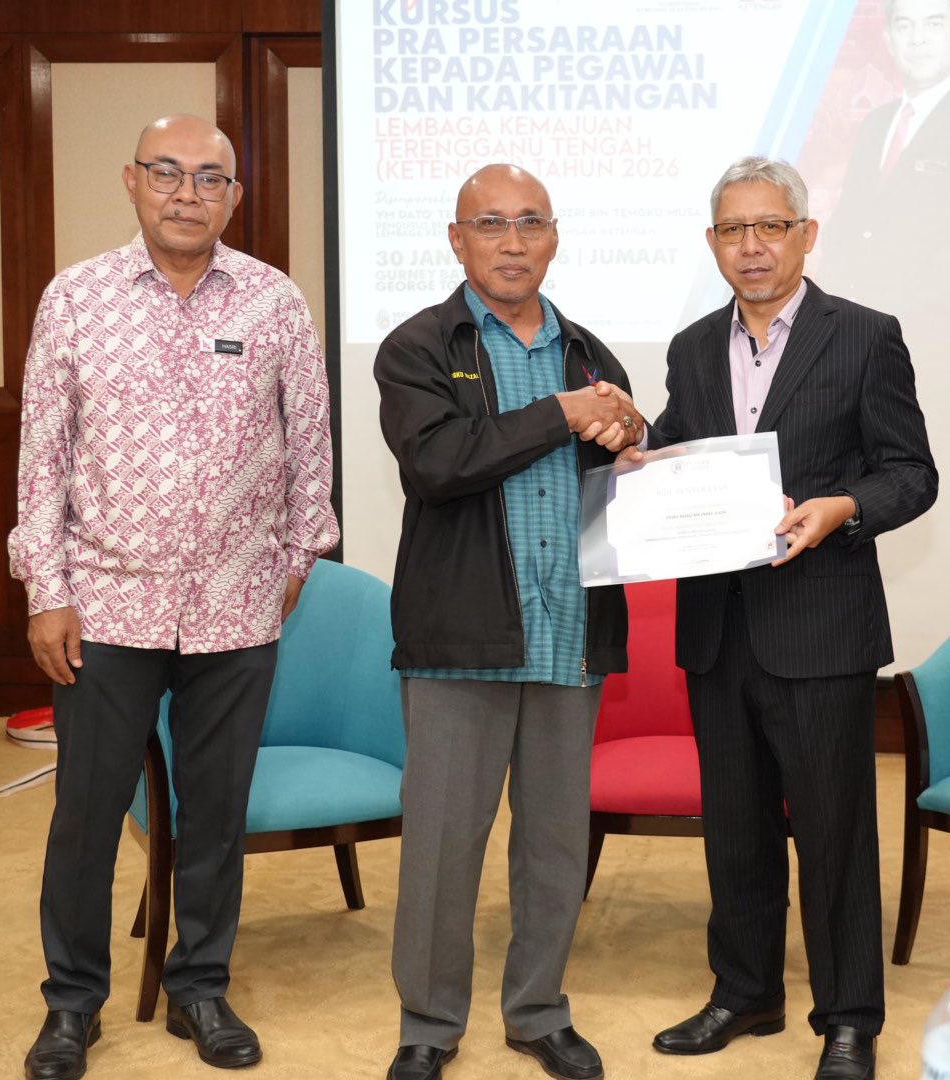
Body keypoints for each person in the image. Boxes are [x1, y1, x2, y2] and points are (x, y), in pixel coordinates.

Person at [8, 114, 338, 1080]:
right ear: (132, 181)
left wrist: (299, 557)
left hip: (237, 605)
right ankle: (72, 1005)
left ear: (235, 194)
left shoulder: (275, 301)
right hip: (105, 606)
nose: (187, 194)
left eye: (209, 177)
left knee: (216, 813)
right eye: (167, 173)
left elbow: (309, 441)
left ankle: (201, 987)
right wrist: (46, 589)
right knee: (87, 815)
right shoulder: (76, 298)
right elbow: (43, 455)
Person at [642, 156, 938, 1080]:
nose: (752, 246)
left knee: (834, 832)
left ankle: (849, 1017)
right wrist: (636, 454)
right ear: (712, 243)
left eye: (770, 226)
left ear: (806, 235)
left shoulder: (866, 336)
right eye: (734, 229)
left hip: (821, 626)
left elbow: (911, 474)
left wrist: (843, 507)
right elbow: (679, 452)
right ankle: (744, 992)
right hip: (716, 628)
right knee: (734, 826)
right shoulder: (692, 346)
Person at [374, 164, 643, 1080]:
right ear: (457, 240)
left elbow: (613, 488)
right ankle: (428, 1024)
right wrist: (561, 416)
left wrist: (633, 444)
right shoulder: (418, 345)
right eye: (491, 223)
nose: (513, 241)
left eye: (531, 222)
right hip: (463, 641)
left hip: (570, 635)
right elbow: (437, 462)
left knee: (555, 848)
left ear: (555, 237)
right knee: (442, 849)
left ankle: (538, 1012)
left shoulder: (591, 355)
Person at [819, 0, 950, 344]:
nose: (918, 38)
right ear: (888, 39)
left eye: (933, 23)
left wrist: (878, 310)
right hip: (852, 340)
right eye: (904, 26)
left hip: (937, 344)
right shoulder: (875, 123)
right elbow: (847, 222)